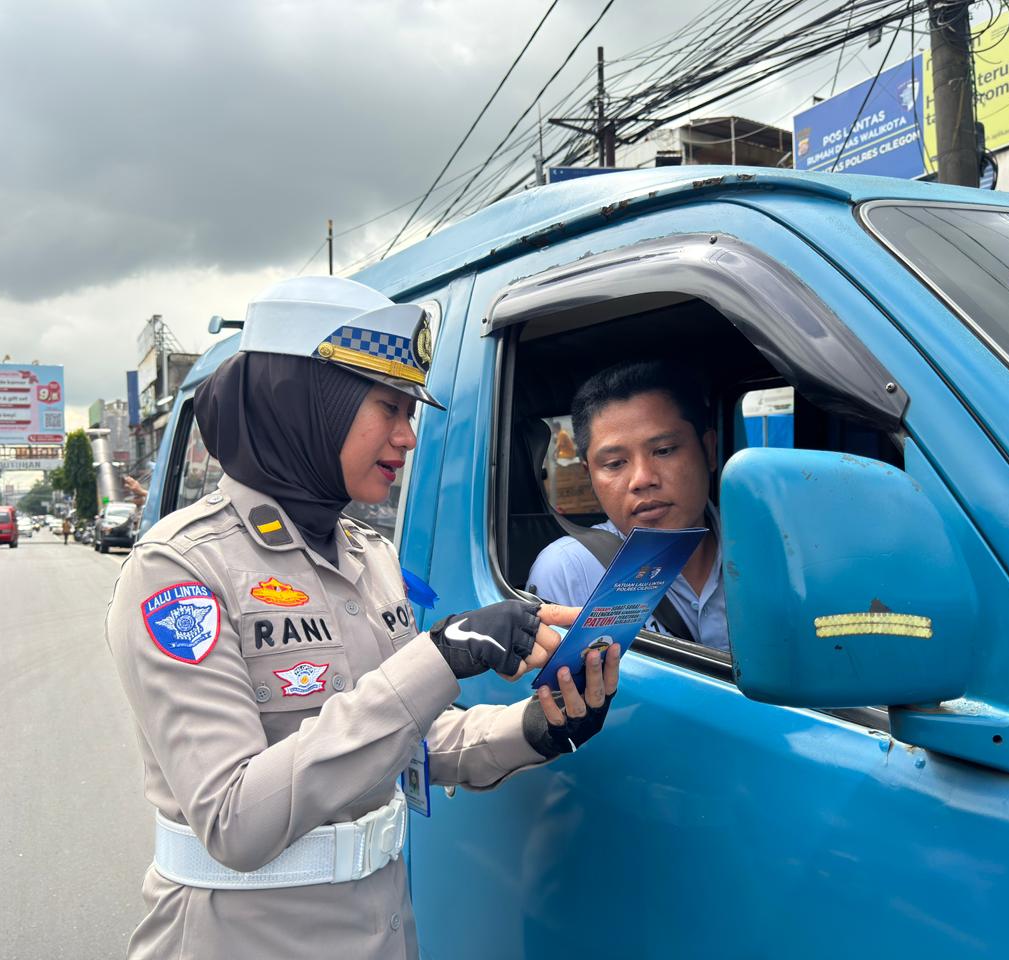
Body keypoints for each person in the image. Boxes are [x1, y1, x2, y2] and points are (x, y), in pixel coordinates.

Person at [105, 276, 620, 960]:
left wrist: (537, 729)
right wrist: (441, 655)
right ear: (308, 402)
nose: (408, 437)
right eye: (388, 408)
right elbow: (234, 819)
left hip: (380, 931)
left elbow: (408, 739)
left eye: (411, 412)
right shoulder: (181, 570)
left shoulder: (367, 554)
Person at [528, 359, 729, 651]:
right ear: (590, 476)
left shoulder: (769, 548)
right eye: (614, 463)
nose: (642, 479)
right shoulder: (570, 571)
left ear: (709, 450)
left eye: (664, 450)